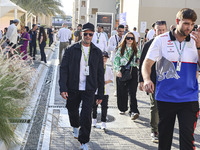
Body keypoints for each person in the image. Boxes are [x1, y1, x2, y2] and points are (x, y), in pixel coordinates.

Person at [142, 8, 200, 150]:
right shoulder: (160, 40)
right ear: (177, 21)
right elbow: (147, 63)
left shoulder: (196, 41)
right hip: (165, 97)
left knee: (187, 140)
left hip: (189, 98)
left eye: (192, 24)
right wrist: (147, 79)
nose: (189, 27)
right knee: (165, 139)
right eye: (186, 23)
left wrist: (199, 47)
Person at [59, 22, 104, 150]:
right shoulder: (71, 50)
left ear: (93, 35)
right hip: (73, 87)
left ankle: (83, 142)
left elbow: (101, 74)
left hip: (89, 89)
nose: (88, 36)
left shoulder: (97, 52)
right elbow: (63, 70)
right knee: (72, 109)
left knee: (86, 115)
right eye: (86, 34)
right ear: (81, 34)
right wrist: (63, 88)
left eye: (90, 34)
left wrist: (101, 93)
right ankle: (74, 125)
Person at [138, 20, 167, 143]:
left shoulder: (170, 43)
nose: (160, 32)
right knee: (154, 106)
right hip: (152, 80)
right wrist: (141, 80)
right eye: (158, 30)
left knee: (165, 106)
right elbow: (142, 64)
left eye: (162, 30)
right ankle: (154, 130)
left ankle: (163, 128)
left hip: (166, 81)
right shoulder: (148, 44)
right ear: (154, 31)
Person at [114, 32, 139, 120]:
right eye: (128, 38)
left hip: (133, 71)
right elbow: (116, 60)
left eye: (132, 38)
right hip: (123, 71)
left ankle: (134, 111)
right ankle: (123, 108)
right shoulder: (121, 48)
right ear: (125, 39)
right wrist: (117, 71)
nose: (130, 40)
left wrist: (138, 62)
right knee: (122, 91)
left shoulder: (136, 49)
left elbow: (138, 60)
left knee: (132, 92)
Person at [92, 51, 113, 129]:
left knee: (104, 107)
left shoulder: (108, 68)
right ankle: (94, 119)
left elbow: (111, 79)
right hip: (96, 90)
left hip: (105, 91)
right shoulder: (96, 67)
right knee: (94, 106)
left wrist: (106, 82)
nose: (104, 59)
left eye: (105, 58)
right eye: (102, 58)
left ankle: (103, 122)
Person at [107, 24, 124, 97]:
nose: (121, 33)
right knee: (115, 75)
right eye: (120, 31)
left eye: (122, 31)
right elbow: (109, 48)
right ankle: (116, 90)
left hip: (123, 59)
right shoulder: (112, 38)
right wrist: (116, 47)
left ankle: (122, 89)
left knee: (122, 74)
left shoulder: (125, 37)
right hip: (114, 59)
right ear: (117, 31)